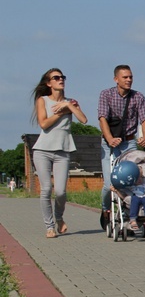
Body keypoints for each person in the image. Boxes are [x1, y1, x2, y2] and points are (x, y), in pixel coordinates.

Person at [31, 68, 88, 238]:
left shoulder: (71, 102)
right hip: (42, 150)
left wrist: (69, 105)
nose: (60, 79)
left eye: (62, 77)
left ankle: (59, 218)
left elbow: (84, 120)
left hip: (63, 151)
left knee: (61, 191)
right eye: (56, 78)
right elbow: (43, 124)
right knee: (46, 189)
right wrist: (63, 111)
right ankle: (49, 226)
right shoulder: (42, 100)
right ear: (49, 83)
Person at [98, 65, 145, 228]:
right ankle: (106, 209)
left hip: (129, 142)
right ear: (116, 79)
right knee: (109, 184)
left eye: (131, 77)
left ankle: (130, 213)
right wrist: (109, 138)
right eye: (125, 77)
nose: (129, 80)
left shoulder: (138, 97)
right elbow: (102, 118)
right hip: (109, 143)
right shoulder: (106, 94)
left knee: (132, 181)